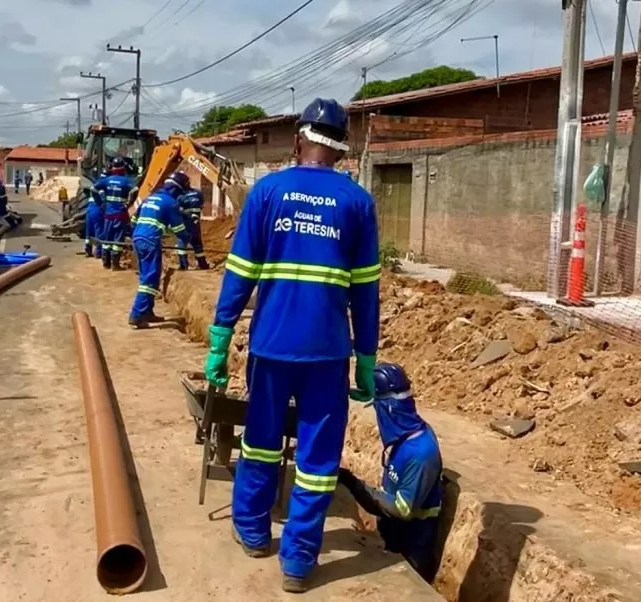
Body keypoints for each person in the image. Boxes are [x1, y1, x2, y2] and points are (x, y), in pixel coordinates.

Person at [203, 97, 381, 593]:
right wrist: (366, 359)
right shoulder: (357, 203)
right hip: (328, 354)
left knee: (259, 442)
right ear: (341, 152)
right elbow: (366, 292)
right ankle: (299, 563)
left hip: (271, 347)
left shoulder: (268, 192)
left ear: (300, 140)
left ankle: (254, 531)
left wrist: (220, 337)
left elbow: (239, 274)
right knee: (319, 461)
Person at [337, 362, 443, 583]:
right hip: (393, 536)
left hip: (412, 551)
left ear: (388, 409)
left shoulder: (421, 454)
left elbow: (403, 509)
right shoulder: (406, 438)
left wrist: (358, 488)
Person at [128, 171, 190, 327]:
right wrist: (189, 239)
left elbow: (134, 220)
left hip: (138, 238)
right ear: (176, 189)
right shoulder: (170, 203)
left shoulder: (150, 198)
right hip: (150, 241)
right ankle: (136, 315)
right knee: (150, 279)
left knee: (145, 277)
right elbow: (179, 229)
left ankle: (147, 312)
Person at [94, 158, 132, 270]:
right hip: (119, 214)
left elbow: (93, 188)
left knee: (107, 238)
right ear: (123, 168)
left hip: (108, 214)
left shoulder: (106, 180)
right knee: (118, 240)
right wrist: (128, 204)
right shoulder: (126, 181)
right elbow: (135, 190)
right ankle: (115, 265)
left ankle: (106, 263)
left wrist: (100, 204)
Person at [176, 187, 209, 270]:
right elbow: (201, 205)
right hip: (195, 222)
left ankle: (183, 265)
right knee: (197, 243)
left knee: (182, 244)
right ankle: (202, 264)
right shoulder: (198, 193)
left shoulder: (180, 195)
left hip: (185, 223)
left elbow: (177, 208)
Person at [84, 179, 104, 259]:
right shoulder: (103, 188)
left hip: (89, 209)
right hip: (97, 209)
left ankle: (88, 251)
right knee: (98, 231)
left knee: (89, 231)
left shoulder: (95, 185)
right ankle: (98, 252)